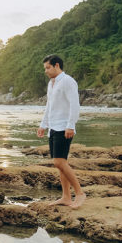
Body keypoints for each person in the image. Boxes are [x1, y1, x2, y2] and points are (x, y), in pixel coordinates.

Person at [37, 54, 85, 208]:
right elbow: (49, 106)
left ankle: (80, 193)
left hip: (64, 127)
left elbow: (74, 105)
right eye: (45, 68)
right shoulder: (51, 84)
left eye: (48, 67)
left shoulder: (68, 81)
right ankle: (66, 196)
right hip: (53, 127)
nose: (46, 71)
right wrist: (43, 125)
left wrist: (71, 125)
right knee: (60, 163)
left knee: (58, 161)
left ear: (57, 65)